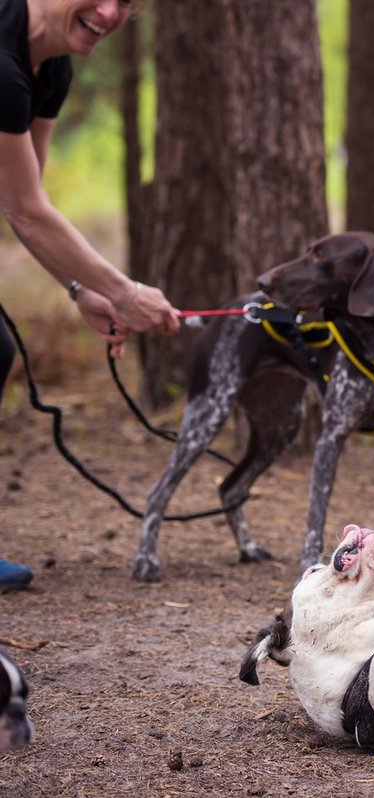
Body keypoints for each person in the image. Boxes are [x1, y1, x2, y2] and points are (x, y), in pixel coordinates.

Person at [0, 0, 180, 589]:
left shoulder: (50, 68)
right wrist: (125, 293)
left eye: (126, 4)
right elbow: (26, 212)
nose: (108, 12)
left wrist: (79, 287)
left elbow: (23, 199)